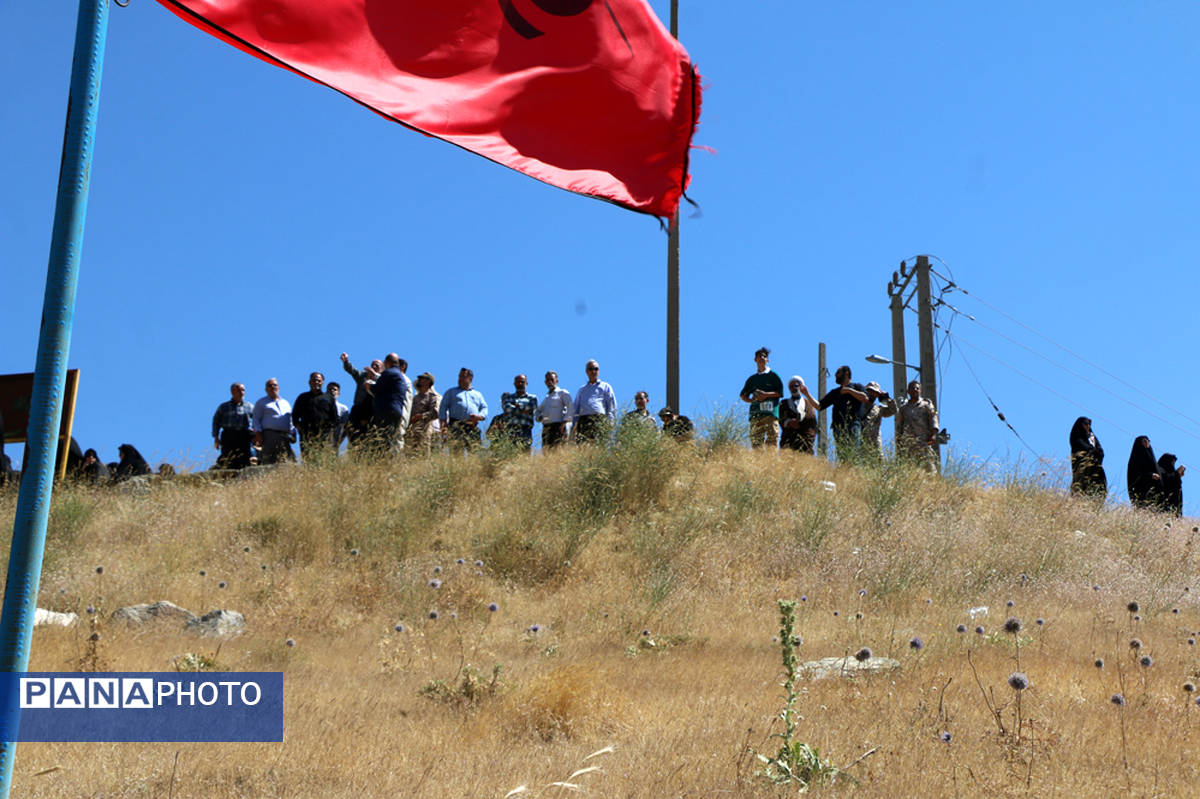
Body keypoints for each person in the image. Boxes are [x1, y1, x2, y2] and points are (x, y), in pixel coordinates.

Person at [818, 365, 868, 464]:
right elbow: (819, 406)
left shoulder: (857, 386)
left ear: (846, 373)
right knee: (842, 455)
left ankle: (856, 474)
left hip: (853, 424)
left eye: (838, 373)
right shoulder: (835, 392)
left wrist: (849, 390)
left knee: (853, 452)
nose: (835, 375)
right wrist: (806, 394)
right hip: (838, 428)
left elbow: (864, 398)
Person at [739, 347, 784, 449]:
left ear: (767, 360)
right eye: (759, 356)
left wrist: (766, 394)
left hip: (770, 413)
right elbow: (742, 395)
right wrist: (751, 400)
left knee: (772, 440)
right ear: (755, 359)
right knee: (756, 442)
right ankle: (759, 462)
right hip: (756, 414)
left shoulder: (773, 376)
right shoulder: (752, 379)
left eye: (764, 356)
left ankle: (771, 462)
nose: (762, 358)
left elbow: (780, 393)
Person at [439, 367, 489, 452]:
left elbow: (484, 408)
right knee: (456, 453)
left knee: (474, 452)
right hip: (455, 426)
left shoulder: (477, 394)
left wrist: (479, 416)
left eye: (463, 376)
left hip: (472, 426)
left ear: (470, 379)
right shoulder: (451, 392)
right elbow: (442, 408)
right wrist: (444, 426)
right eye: (459, 376)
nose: (460, 379)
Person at [293, 371, 339, 461]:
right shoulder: (302, 397)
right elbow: (294, 416)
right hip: (307, 436)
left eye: (319, 380)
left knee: (324, 461)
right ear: (309, 382)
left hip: (325, 437)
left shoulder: (328, 398)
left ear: (322, 382)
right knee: (308, 460)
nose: (316, 382)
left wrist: (331, 435)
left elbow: (335, 418)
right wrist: (300, 428)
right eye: (314, 380)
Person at [895, 379, 938, 471]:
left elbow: (933, 418)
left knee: (929, 467)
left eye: (917, 388)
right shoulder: (903, 408)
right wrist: (898, 441)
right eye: (912, 388)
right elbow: (899, 425)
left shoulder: (926, 405)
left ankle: (932, 484)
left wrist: (934, 434)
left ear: (920, 390)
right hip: (908, 443)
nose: (915, 390)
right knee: (910, 468)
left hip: (923, 441)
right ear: (908, 391)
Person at [341, 353, 383, 445]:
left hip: (372, 412)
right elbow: (352, 370)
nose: (374, 366)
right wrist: (346, 362)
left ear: (382, 369)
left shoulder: (383, 380)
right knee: (353, 436)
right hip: (357, 410)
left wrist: (374, 376)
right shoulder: (362, 376)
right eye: (372, 364)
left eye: (377, 365)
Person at [211, 382, 256, 470]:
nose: (241, 392)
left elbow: (257, 421)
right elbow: (216, 421)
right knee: (228, 458)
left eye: (243, 390)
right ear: (232, 392)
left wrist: (256, 434)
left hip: (244, 436)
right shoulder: (224, 407)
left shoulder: (250, 406)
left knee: (246, 459)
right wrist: (216, 437)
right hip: (229, 435)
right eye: (238, 390)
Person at [572, 360, 617, 444]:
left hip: (599, 419)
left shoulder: (605, 386)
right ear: (586, 371)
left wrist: (611, 422)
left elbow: (611, 406)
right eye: (591, 369)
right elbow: (576, 408)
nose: (593, 371)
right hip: (584, 421)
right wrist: (574, 425)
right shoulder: (582, 389)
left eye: (596, 369)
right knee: (583, 447)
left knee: (599, 445)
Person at [253, 378, 297, 465]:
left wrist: (293, 432)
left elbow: (290, 419)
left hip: (285, 436)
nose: (272, 387)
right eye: (270, 385)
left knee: (287, 461)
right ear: (266, 389)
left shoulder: (285, 403)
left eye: (275, 385)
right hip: (269, 435)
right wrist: (258, 433)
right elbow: (256, 419)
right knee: (268, 460)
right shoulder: (261, 402)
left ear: (278, 388)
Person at [372, 353, 410, 453]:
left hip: (386, 410)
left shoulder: (389, 373)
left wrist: (368, 387)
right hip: (397, 411)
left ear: (387, 362)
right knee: (391, 439)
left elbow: (376, 389)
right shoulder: (401, 376)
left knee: (382, 441)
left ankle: (383, 463)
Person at [1069, 417, 1107, 499]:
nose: (1088, 426)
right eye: (1085, 424)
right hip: (1083, 465)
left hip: (1095, 465)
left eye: (1089, 424)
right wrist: (1091, 450)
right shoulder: (1077, 435)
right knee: (1082, 484)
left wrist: (1099, 452)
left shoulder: (1091, 436)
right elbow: (1082, 446)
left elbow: (1098, 447)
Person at [861, 382, 900, 461]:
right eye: (870, 391)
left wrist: (886, 398)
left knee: (878, 465)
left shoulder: (879, 409)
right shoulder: (858, 406)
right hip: (860, 442)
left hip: (875, 444)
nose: (872, 394)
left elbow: (893, 410)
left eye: (875, 392)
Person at [779, 376, 818, 454]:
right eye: (791, 386)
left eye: (796, 385)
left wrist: (801, 423)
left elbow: (812, 420)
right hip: (788, 439)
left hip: (805, 442)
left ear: (802, 387)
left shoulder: (809, 403)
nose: (794, 388)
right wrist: (789, 422)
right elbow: (780, 418)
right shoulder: (783, 403)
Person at [500, 374, 539, 451]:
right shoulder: (509, 397)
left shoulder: (532, 397)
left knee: (524, 453)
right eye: (518, 382)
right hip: (511, 429)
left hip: (525, 429)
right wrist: (524, 409)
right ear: (514, 384)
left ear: (526, 383)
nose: (520, 384)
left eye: (522, 382)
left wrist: (517, 406)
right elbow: (507, 409)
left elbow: (532, 407)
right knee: (510, 453)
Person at [406, 372, 441, 455]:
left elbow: (435, 413)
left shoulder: (432, 397)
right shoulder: (414, 398)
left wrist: (421, 416)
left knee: (423, 455)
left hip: (424, 432)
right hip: (411, 431)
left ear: (428, 381)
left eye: (423, 378)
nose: (420, 380)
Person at [537, 371, 572, 449]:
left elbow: (570, 407)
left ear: (556, 381)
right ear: (545, 382)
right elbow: (537, 410)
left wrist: (564, 422)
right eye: (547, 380)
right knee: (547, 452)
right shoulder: (546, 398)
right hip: (546, 428)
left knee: (560, 450)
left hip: (559, 426)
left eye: (552, 380)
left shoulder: (562, 393)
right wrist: (539, 417)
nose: (550, 382)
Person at [1126, 436, 1162, 510]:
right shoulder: (1135, 458)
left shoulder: (1150, 455)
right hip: (1141, 490)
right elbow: (1134, 476)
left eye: (1148, 441)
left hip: (1154, 491)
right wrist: (1150, 475)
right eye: (1145, 441)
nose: (1147, 443)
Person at [327, 382, 350, 446]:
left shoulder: (343, 408)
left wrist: (340, 441)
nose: (332, 391)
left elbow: (346, 426)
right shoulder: (321, 406)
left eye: (335, 389)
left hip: (335, 440)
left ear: (339, 393)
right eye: (329, 389)